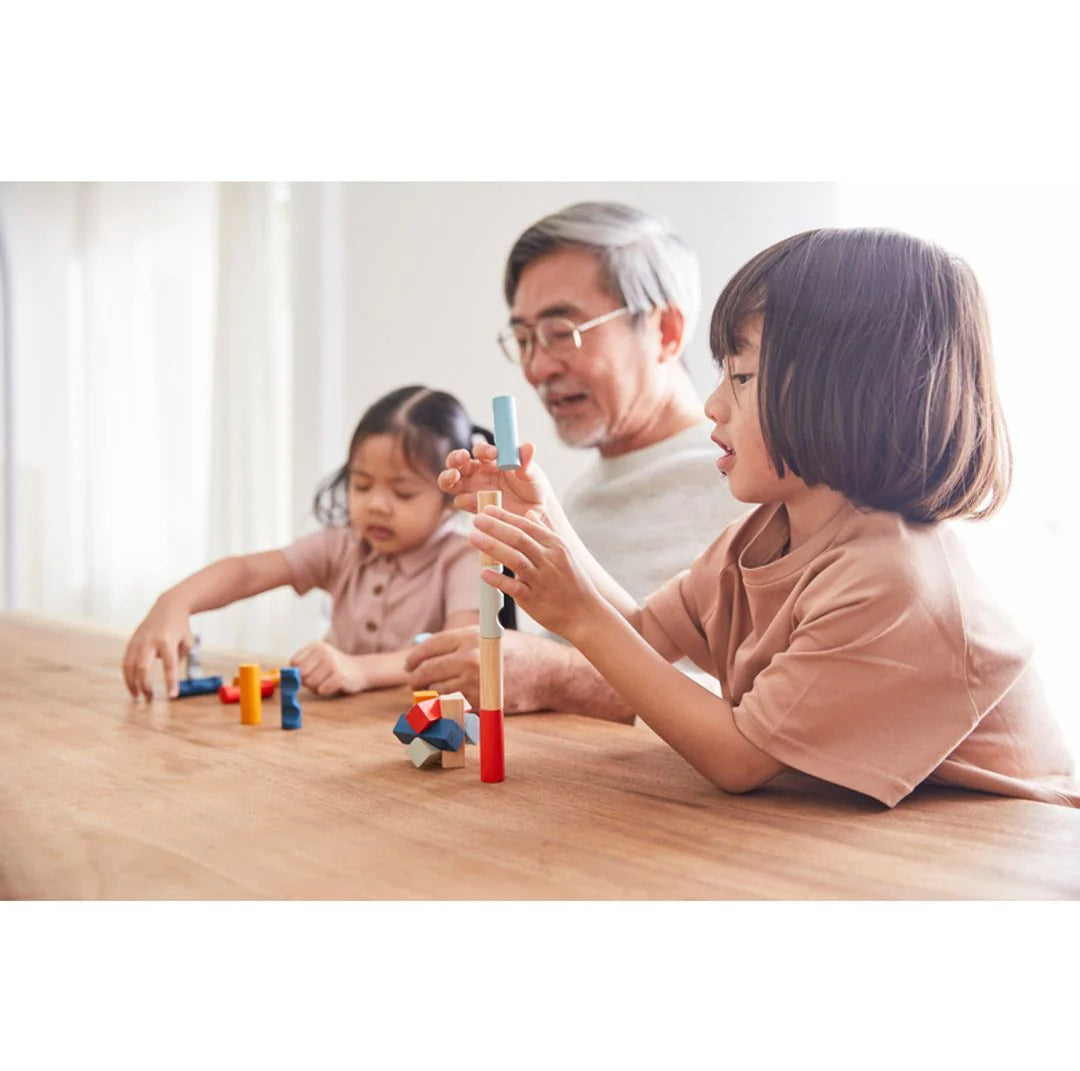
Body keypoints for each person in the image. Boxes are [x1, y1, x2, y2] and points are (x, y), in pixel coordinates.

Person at [448, 227, 1079, 808]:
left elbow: (738, 758)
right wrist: (543, 512)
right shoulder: (764, 532)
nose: (713, 404)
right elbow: (645, 634)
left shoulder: (893, 576)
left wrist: (579, 615)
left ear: (849, 394)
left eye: (744, 377)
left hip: (1010, 849)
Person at [405, 202, 744, 720]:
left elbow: (775, 706)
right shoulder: (580, 496)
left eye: (561, 331)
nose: (537, 367)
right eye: (522, 339)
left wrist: (558, 676)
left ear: (666, 331)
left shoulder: (744, 480)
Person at [122, 385, 487, 702]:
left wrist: (358, 670)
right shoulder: (343, 545)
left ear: (450, 496)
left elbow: (455, 650)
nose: (376, 503)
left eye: (402, 492)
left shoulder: (464, 559)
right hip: (331, 736)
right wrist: (176, 601)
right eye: (361, 485)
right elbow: (249, 572)